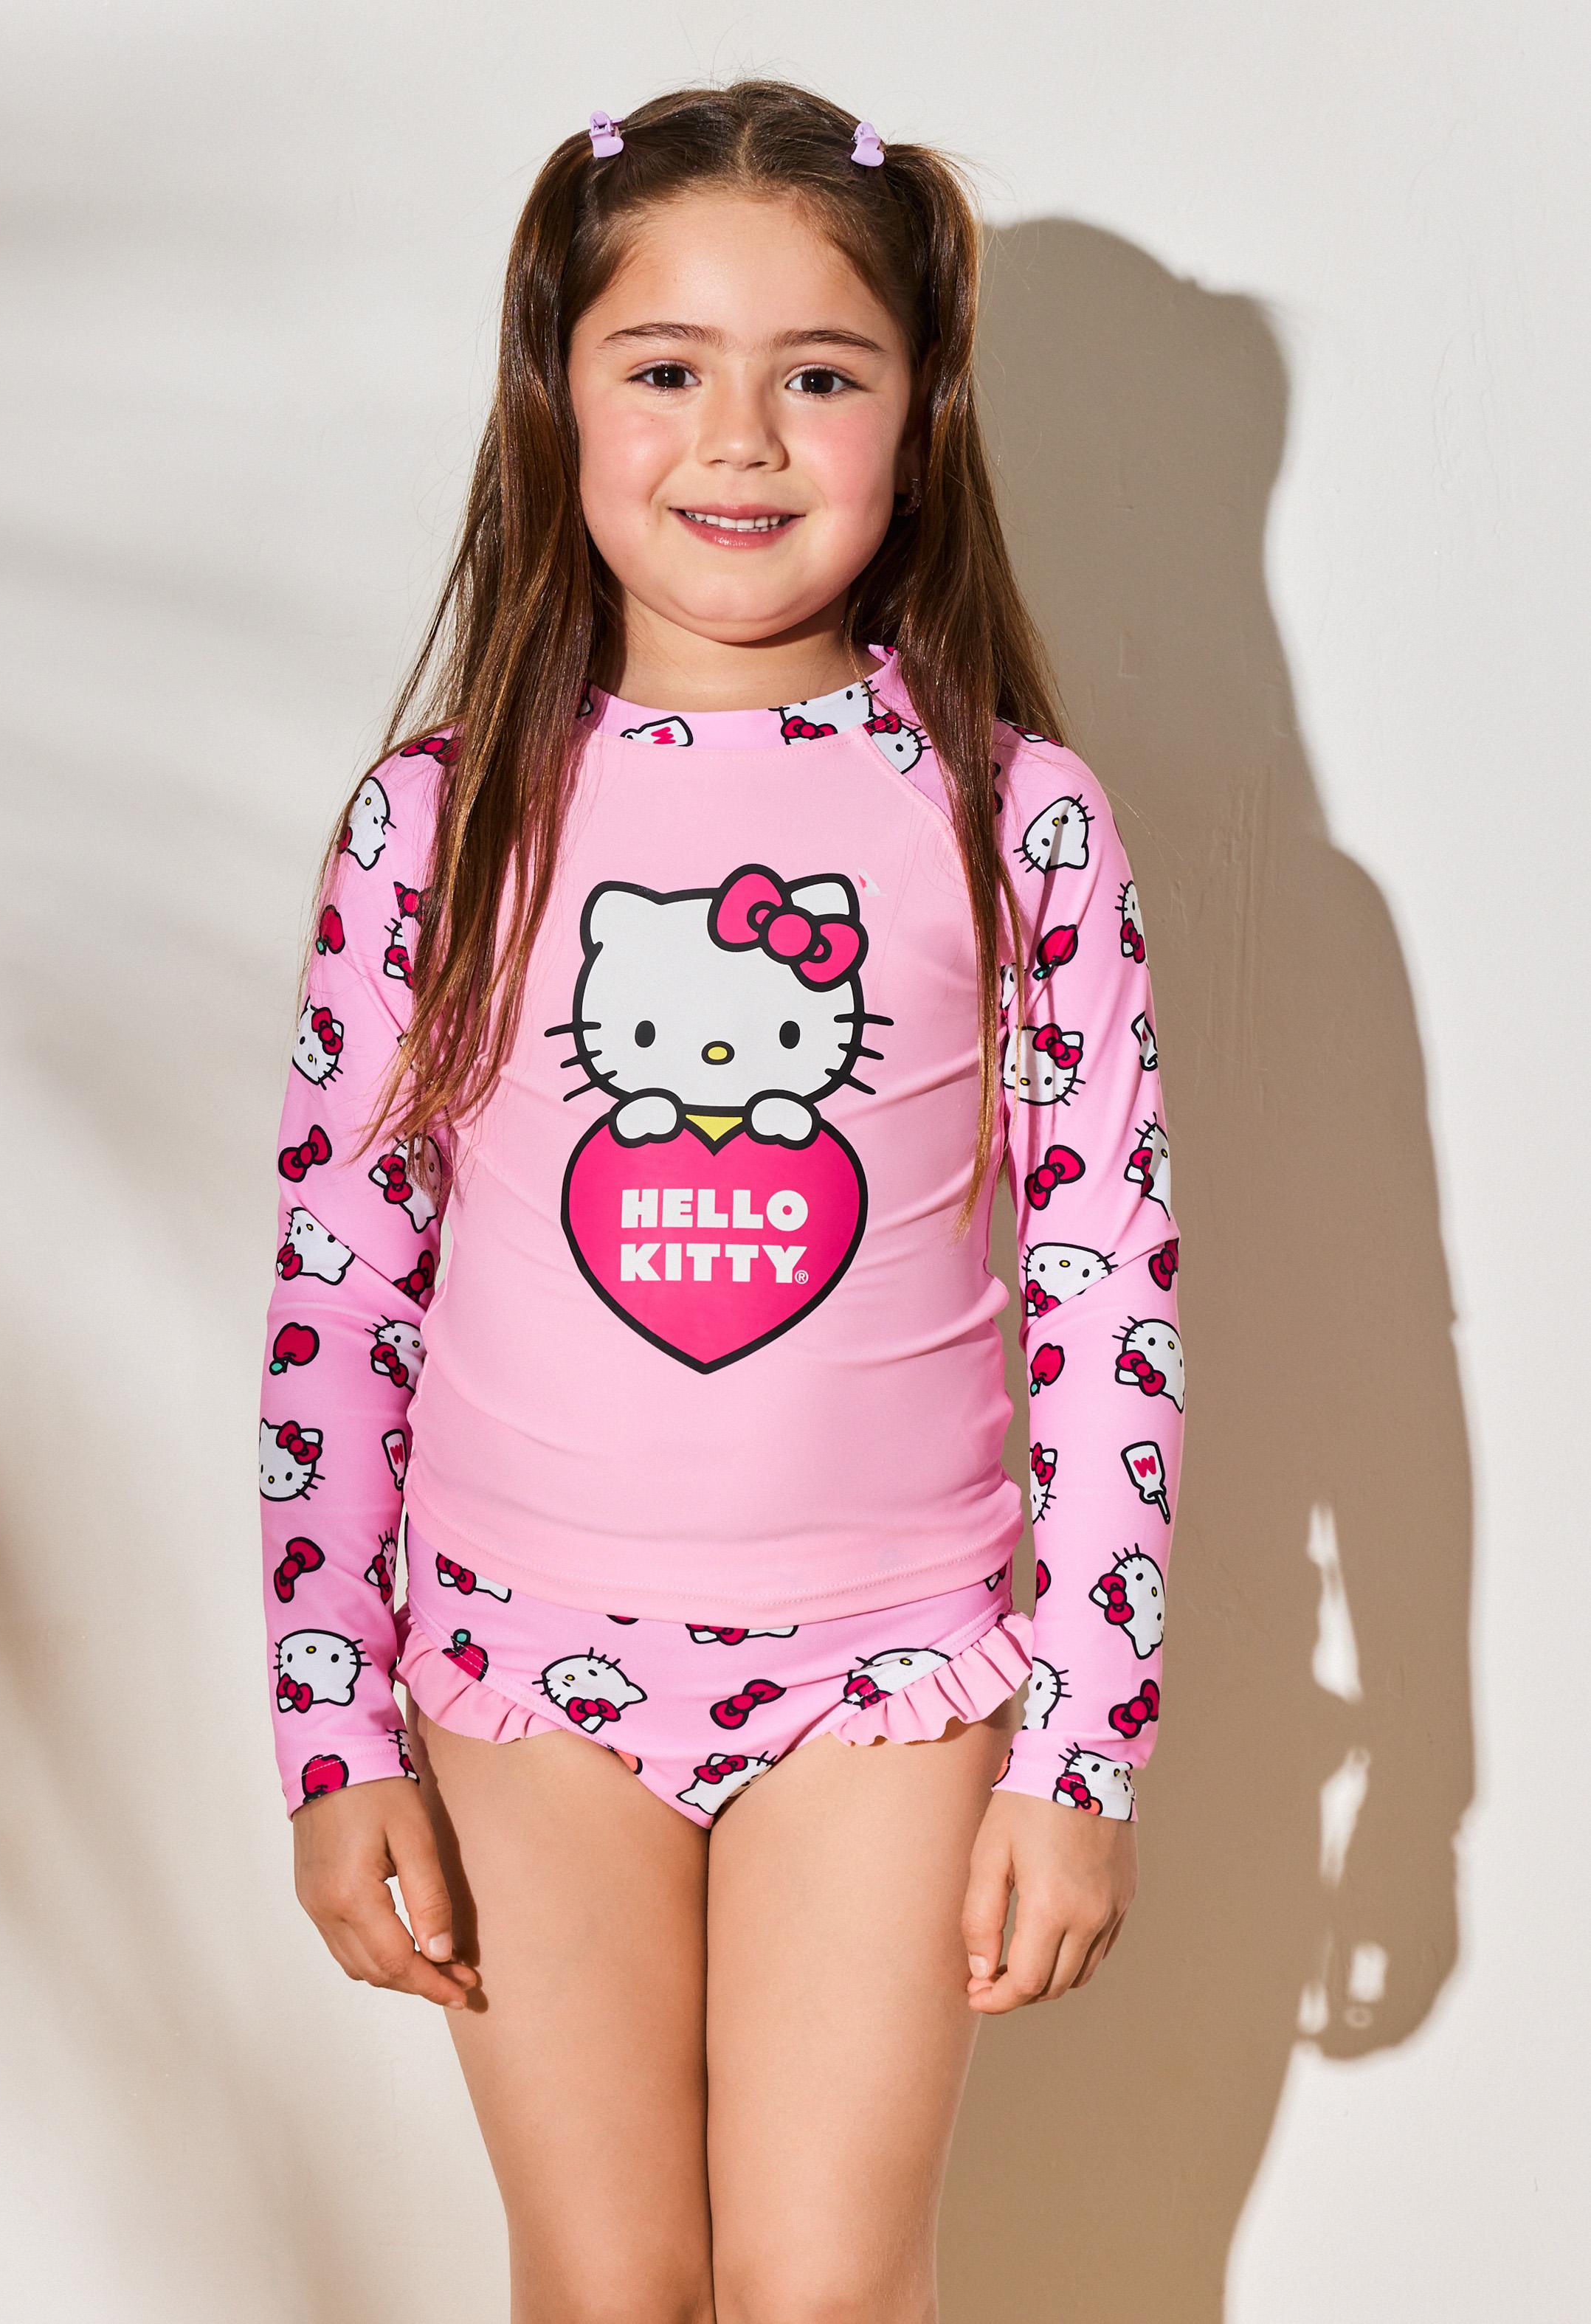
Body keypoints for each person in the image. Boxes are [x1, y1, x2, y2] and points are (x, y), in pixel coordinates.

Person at [258, 77, 1184, 2322]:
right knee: (605, 2287)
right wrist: (332, 1729)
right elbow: (339, 1286)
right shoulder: (438, 823)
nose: (740, 440)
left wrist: (1083, 1745)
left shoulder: (1015, 821)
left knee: (820, 2291)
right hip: (516, 1669)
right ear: (555, 398)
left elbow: (1106, 1287)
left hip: (891, 1669)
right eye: (665, 369)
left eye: (821, 376)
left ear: (919, 418)